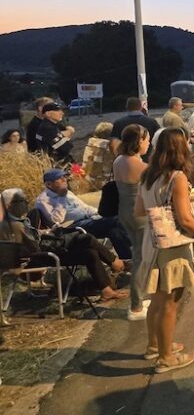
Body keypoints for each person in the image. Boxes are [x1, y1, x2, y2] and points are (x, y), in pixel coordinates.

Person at [134, 128, 194, 374]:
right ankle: (166, 357)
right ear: (180, 148)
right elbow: (185, 219)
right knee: (170, 304)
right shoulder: (177, 178)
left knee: (156, 302)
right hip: (172, 248)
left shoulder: (147, 175)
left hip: (152, 242)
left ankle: (154, 346)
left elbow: (139, 211)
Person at [1, 188, 129, 302]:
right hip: (40, 257)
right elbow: (30, 248)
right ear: (8, 205)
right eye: (20, 201)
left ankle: (107, 290)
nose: (25, 203)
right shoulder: (14, 225)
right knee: (86, 239)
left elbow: (31, 239)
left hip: (42, 251)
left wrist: (45, 232)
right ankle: (118, 264)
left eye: (25, 200)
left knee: (89, 252)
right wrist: (50, 239)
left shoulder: (17, 220)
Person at [35, 169, 133, 259]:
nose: (64, 180)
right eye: (59, 179)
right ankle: (136, 244)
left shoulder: (66, 192)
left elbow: (84, 207)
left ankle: (127, 260)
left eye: (64, 177)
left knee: (114, 231)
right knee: (116, 219)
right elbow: (55, 221)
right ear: (49, 184)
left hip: (87, 221)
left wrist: (99, 214)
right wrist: (61, 199)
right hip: (70, 228)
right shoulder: (43, 200)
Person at [112, 124, 151, 320]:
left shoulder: (119, 159)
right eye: (146, 139)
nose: (149, 142)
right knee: (141, 259)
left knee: (139, 255)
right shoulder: (139, 165)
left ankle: (140, 298)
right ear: (138, 142)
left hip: (125, 211)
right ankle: (136, 306)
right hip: (139, 214)